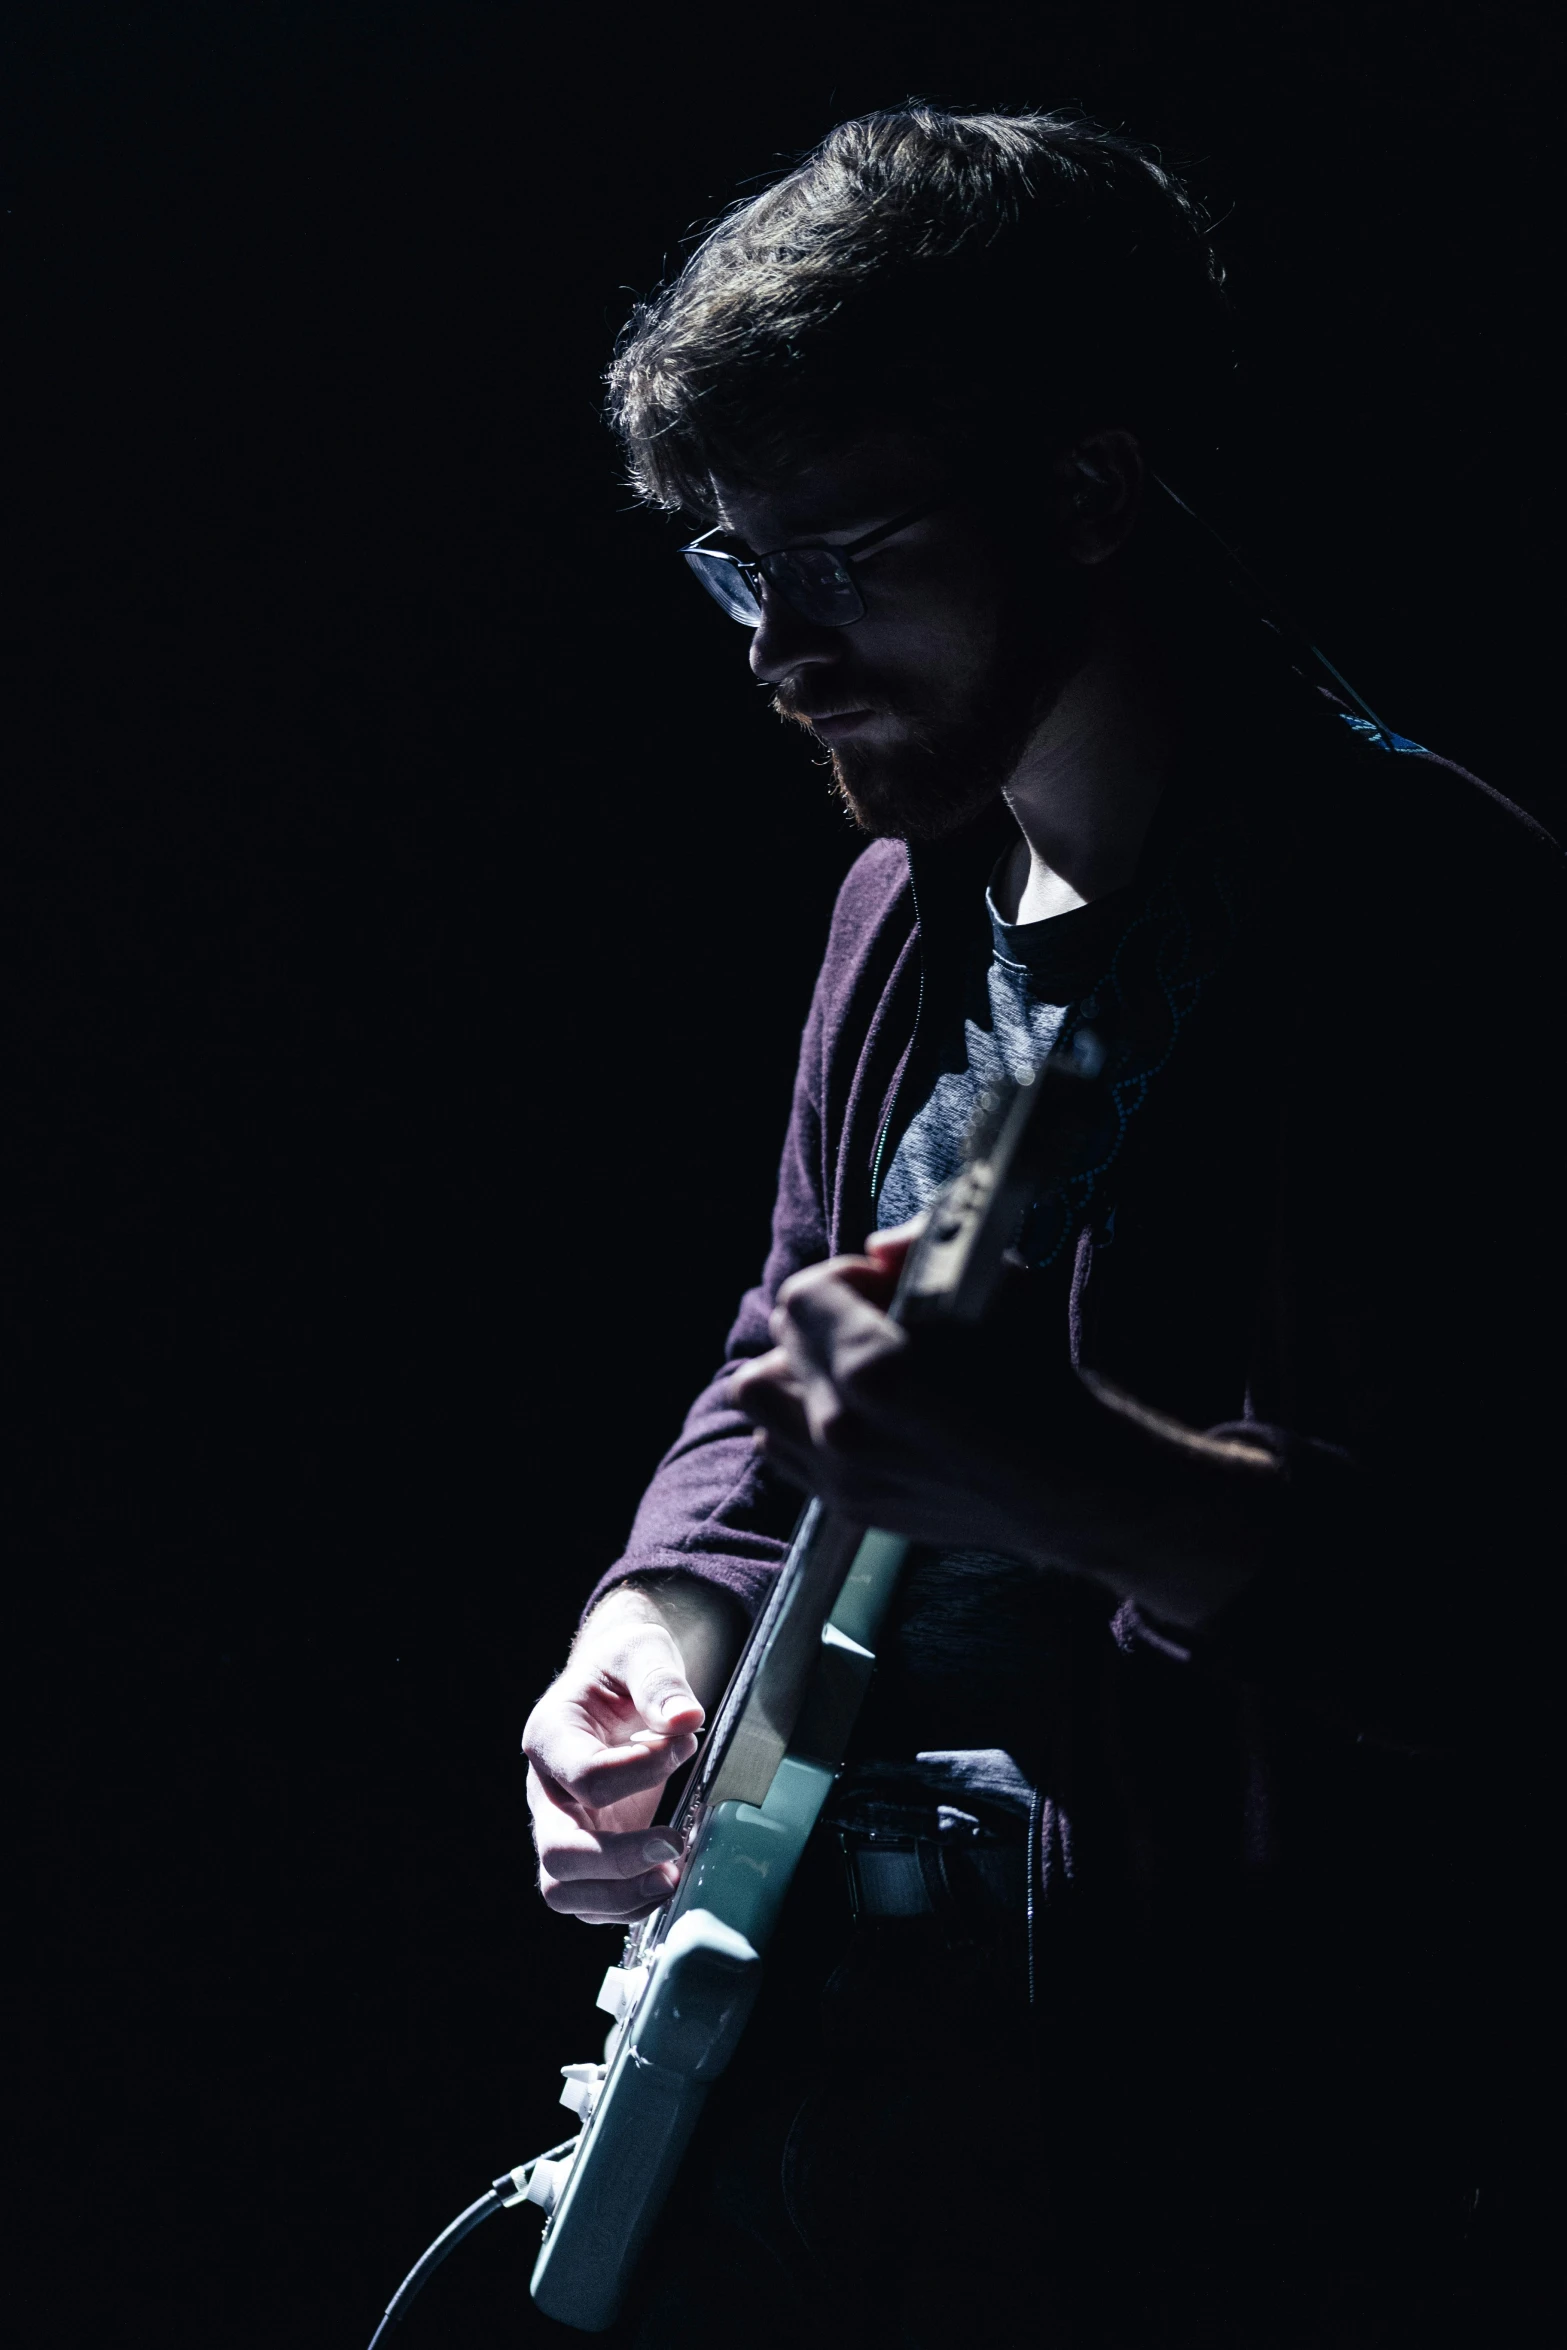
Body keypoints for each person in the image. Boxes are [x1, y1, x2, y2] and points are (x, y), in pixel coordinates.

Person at [522, 108, 1562, 2346]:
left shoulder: (1426, 928)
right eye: (734, 569)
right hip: (920, 2145)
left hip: (1274, 2190)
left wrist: (1080, 1480)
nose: (777, 645)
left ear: (1085, 498)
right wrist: (664, 1620)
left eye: (847, 556)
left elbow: (1502, 1612)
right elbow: (782, 1347)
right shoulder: (905, 904)